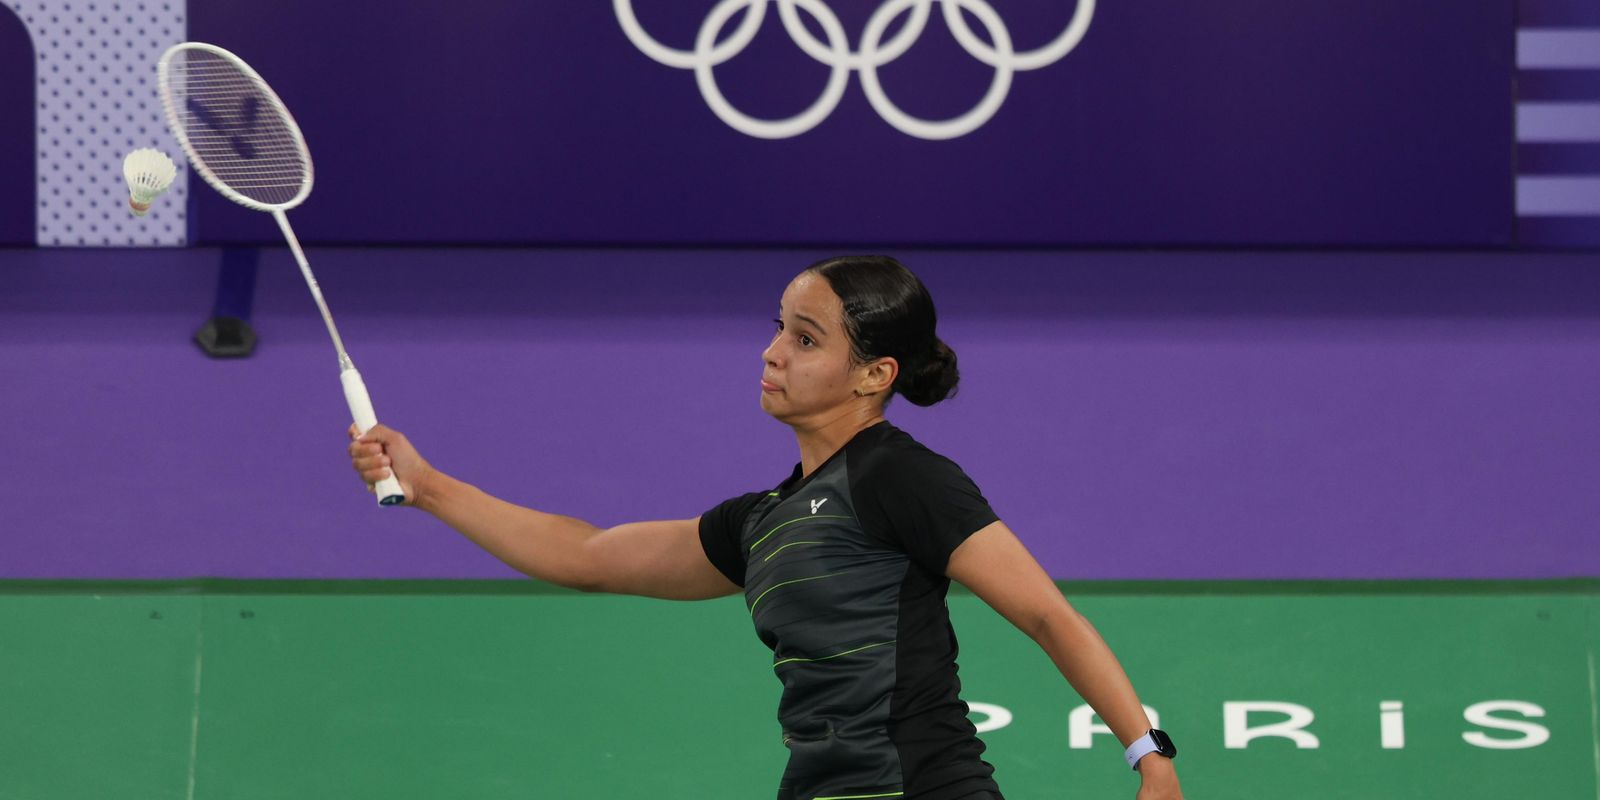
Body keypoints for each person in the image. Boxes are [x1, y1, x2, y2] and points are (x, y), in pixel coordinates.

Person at [348, 255, 1184, 800]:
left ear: (874, 374)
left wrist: (1148, 756)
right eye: (779, 326)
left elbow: (1046, 615)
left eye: (805, 338)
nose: (772, 352)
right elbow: (588, 555)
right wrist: (428, 487)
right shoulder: (762, 523)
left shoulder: (902, 478)